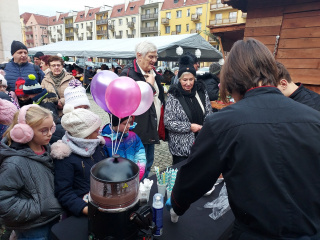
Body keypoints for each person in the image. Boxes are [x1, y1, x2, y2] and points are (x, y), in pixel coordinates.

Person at [166, 38, 320, 239]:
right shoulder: (314, 118)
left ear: (232, 80)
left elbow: (193, 179)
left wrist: (176, 204)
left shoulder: (222, 123)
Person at [0, 104, 63, 239]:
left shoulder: (47, 149)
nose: (50, 134)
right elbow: (4, 201)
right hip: (33, 227)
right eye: (44, 130)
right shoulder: (14, 163)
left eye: (51, 128)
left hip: (52, 219)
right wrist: (38, 207)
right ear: (24, 132)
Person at [51, 104, 107, 217]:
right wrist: (85, 209)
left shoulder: (96, 146)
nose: (99, 132)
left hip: (103, 201)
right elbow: (64, 192)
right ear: (85, 135)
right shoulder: (65, 157)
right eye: (96, 131)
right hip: (84, 212)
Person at [120, 41, 165, 179]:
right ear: (139, 55)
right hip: (136, 129)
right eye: (151, 57)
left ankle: (145, 191)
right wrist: (149, 86)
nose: (154, 61)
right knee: (137, 166)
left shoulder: (153, 73)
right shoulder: (127, 74)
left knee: (149, 162)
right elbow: (127, 102)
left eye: (155, 57)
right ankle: (137, 193)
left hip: (151, 126)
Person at [164, 57, 212, 164]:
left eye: (191, 79)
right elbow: (169, 122)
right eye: (185, 80)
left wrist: (206, 127)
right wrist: (190, 127)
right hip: (181, 149)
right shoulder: (174, 95)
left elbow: (209, 113)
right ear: (179, 79)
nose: (188, 83)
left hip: (201, 145)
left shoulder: (201, 92)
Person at [101, 115, 146, 181]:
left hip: (134, 176)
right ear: (116, 123)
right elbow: (104, 164)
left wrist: (140, 170)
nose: (128, 126)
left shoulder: (133, 136)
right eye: (125, 124)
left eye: (129, 122)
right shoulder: (106, 141)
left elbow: (140, 152)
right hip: (116, 180)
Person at [22, 74, 64, 144]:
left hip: (54, 132)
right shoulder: (39, 100)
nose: (29, 97)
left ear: (34, 93)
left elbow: (52, 120)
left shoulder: (46, 103)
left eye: (29, 94)